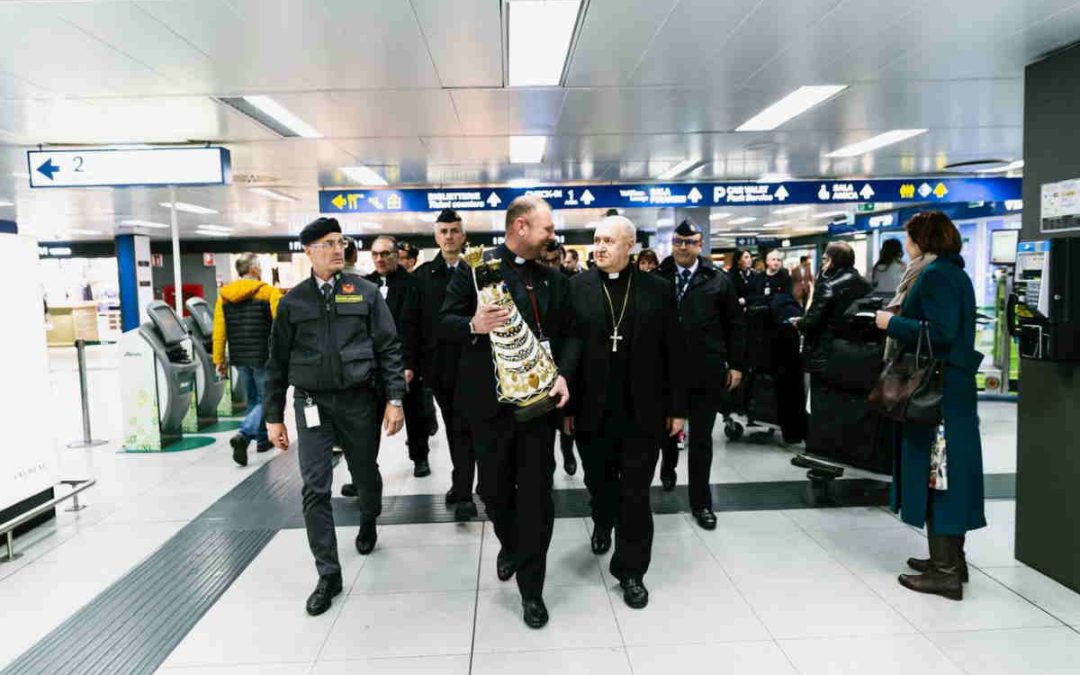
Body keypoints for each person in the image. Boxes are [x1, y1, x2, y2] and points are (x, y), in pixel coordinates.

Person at [439, 196, 573, 629]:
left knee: (537, 496)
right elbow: (443, 322)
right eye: (547, 229)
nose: (553, 237)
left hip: (538, 409)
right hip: (489, 406)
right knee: (494, 491)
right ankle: (510, 542)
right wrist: (473, 325)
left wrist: (563, 375)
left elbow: (570, 336)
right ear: (519, 227)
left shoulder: (553, 279)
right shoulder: (476, 269)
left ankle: (531, 590)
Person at [263, 217, 406, 617]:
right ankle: (328, 573)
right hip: (311, 405)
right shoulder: (293, 303)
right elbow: (276, 363)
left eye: (340, 242)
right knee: (314, 486)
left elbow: (389, 348)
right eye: (327, 244)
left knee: (364, 473)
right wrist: (273, 416)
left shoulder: (365, 292)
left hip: (359, 401)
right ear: (307, 250)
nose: (336, 249)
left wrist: (395, 399)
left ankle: (369, 518)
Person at [563, 215, 686, 609]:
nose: (598, 248)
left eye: (608, 241)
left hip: (643, 411)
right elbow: (567, 346)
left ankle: (631, 571)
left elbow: (674, 351)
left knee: (635, 494)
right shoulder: (576, 288)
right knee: (599, 482)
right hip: (589, 410)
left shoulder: (658, 289)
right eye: (596, 240)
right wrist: (564, 409)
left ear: (630, 246)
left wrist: (678, 408)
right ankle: (601, 519)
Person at [874, 212, 986, 601]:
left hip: (937, 393)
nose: (906, 245)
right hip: (951, 388)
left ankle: (945, 572)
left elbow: (939, 333)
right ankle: (951, 560)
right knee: (946, 472)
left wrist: (892, 324)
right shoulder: (955, 273)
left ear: (922, 240)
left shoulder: (936, 275)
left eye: (909, 238)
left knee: (940, 474)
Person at [656, 218, 746, 530]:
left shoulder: (717, 279)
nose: (683, 247)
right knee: (666, 431)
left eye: (690, 242)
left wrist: (736, 364)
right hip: (665, 373)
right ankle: (668, 467)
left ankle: (701, 502)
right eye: (679, 242)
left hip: (705, 371)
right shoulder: (658, 277)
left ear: (700, 245)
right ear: (673, 244)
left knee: (702, 440)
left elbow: (735, 324)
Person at [414, 209, 478, 519]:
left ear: (464, 236)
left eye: (455, 230)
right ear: (436, 237)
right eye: (444, 231)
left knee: (471, 428)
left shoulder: (481, 271)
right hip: (441, 368)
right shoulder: (423, 277)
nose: (450, 236)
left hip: (477, 363)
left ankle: (465, 488)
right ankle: (462, 485)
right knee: (455, 428)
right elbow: (414, 326)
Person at [365, 237, 428, 476]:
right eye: (375, 254)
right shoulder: (365, 285)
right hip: (372, 365)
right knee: (368, 421)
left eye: (385, 254)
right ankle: (365, 469)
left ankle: (420, 458)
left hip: (405, 362)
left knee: (415, 414)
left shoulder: (413, 284)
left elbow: (416, 327)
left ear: (395, 255)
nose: (380, 259)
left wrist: (410, 364)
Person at [212, 253, 283, 466]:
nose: (261, 270)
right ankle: (244, 434)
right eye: (259, 266)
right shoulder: (268, 292)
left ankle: (262, 440)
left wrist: (218, 359)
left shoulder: (224, 295)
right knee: (266, 399)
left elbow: (219, 330)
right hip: (264, 356)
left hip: (240, 356)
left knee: (253, 399)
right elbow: (280, 324)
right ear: (252, 269)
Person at [539, 240, 580, 477]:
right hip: (538, 361)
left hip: (563, 356)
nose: (552, 265)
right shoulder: (530, 281)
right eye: (546, 260)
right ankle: (548, 463)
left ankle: (567, 451)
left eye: (556, 260)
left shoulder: (569, 284)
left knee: (566, 415)